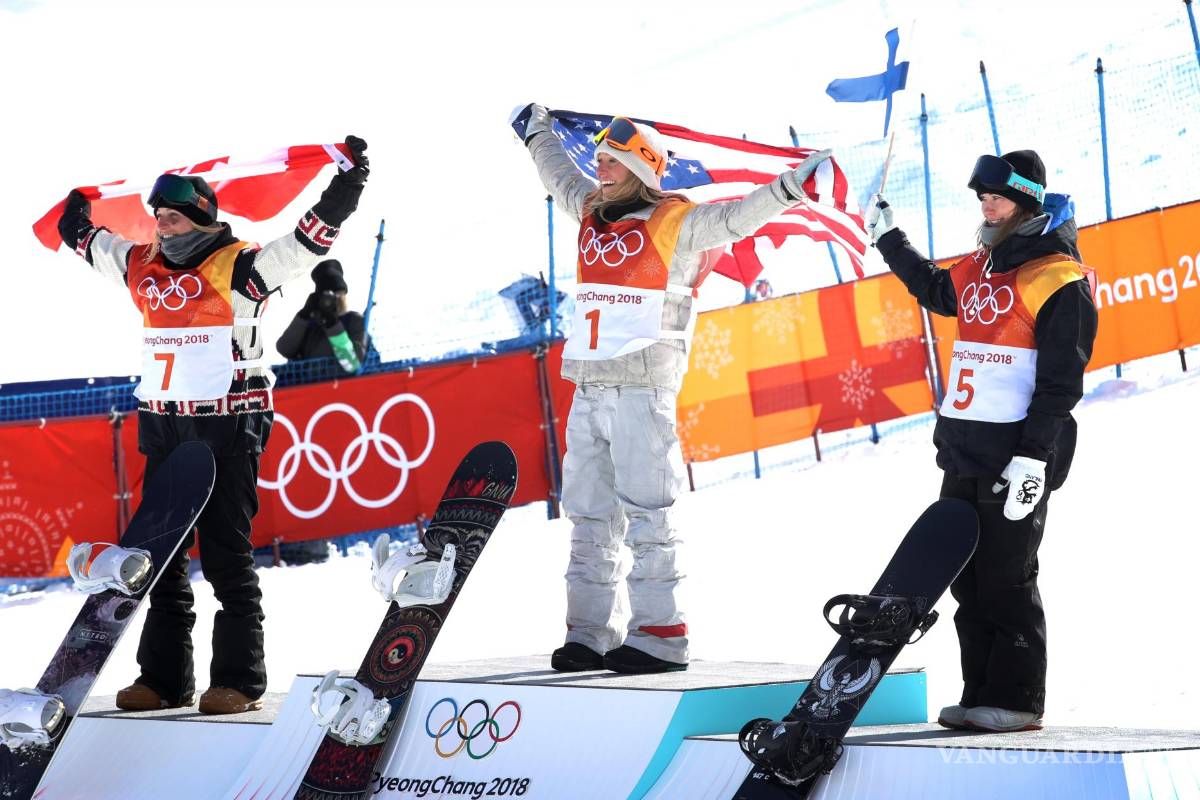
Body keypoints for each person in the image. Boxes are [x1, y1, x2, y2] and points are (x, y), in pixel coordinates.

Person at [55, 136, 370, 714]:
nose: (162, 228)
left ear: (200, 217)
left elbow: (306, 242)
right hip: (165, 424)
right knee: (159, 558)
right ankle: (163, 677)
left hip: (229, 423)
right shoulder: (140, 265)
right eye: (158, 219)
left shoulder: (241, 267)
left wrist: (346, 186)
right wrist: (75, 212)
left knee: (227, 553)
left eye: (172, 219)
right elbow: (90, 242)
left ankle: (238, 680)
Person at [514, 104, 833, 674]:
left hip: (642, 394)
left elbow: (737, 218)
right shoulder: (590, 209)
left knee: (648, 516)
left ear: (642, 169)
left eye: (613, 160)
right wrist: (537, 130)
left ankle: (660, 634)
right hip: (589, 390)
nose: (601, 166)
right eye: (601, 157)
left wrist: (789, 188)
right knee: (588, 516)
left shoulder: (676, 223)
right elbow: (559, 173)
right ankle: (588, 634)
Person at [866, 150, 1097, 732]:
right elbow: (937, 291)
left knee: (1006, 575)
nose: (986, 206)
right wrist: (890, 238)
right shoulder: (981, 265)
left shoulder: (1056, 276)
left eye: (996, 197)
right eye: (982, 198)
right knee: (965, 578)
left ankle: (1018, 699)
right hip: (966, 448)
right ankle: (979, 696)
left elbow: (1062, 380)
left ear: (1025, 201)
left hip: (1017, 452)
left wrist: (1033, 457)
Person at [275, 258, 369, 374]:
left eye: (337, 295)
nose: (332, 301)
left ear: (344, 295)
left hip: (343, 386)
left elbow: (352, 363)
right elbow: (284, 349)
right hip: (310, 387)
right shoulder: (310, 324)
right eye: (326, 297)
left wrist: (332, 324)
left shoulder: (354, 320)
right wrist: (304, 315)